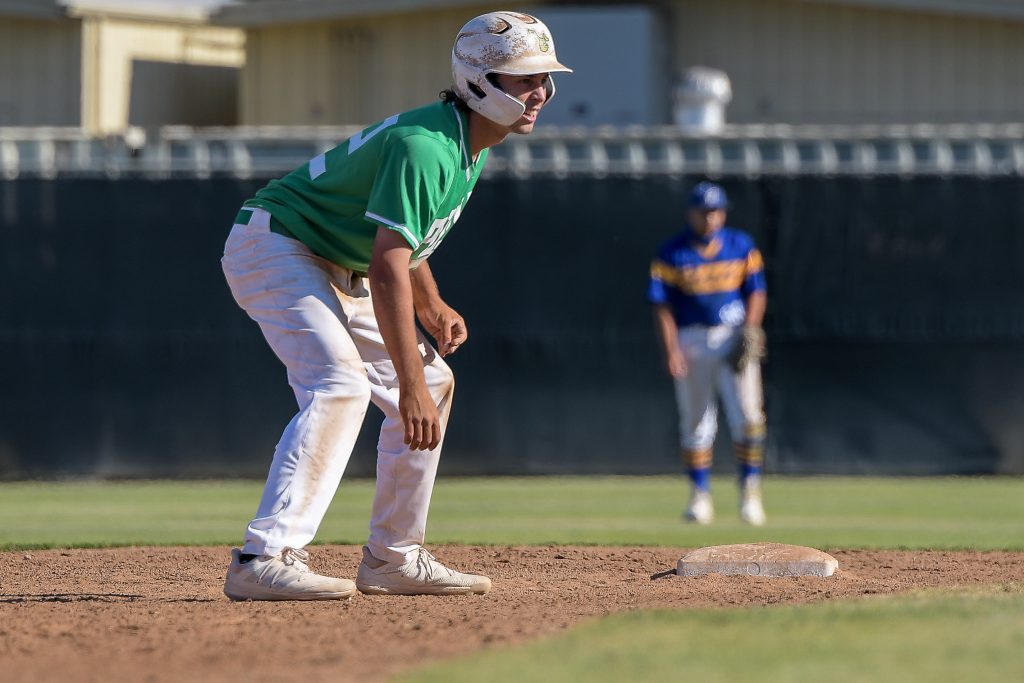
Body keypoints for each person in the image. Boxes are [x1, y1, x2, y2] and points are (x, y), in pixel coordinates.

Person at [221, 11, 572, 600]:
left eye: (544, 79)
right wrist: (405, 385)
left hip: (330, 259)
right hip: (276, 244)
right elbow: (386, 267)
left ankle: (393, 557)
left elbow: (402, 240)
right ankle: (264, 557)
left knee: (434, 382)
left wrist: (430, 305)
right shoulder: (428, 146)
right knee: (341, 385)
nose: (539, 92)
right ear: (479, 81)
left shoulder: (466, 139)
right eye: (524, 79)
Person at [648, 181, 768, 526]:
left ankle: (750, 492)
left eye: (715, 211)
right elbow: (662, 305)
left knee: (749, 417)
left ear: (723, 213)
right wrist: (671, 348)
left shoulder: (741, 245)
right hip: (691, 338)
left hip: (733, 337)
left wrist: (751, 329)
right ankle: (700, 496)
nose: (710, 218)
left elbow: (757, 291)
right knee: (696, 422)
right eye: (704, 211)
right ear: (692, 213)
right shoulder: (672, 252)